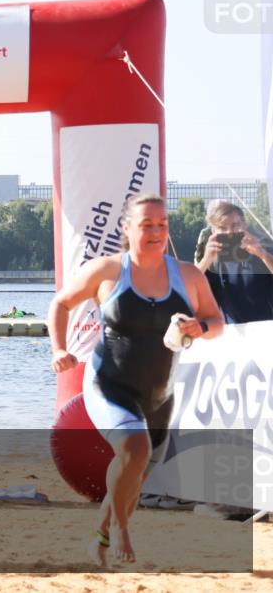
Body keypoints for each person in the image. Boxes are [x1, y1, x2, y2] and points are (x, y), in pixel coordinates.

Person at [48, 194, 223, 565]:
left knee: (137, 473)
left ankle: (101, 533)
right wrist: (59, 349)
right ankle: (121, 530)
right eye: (146, 225)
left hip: (159, 394)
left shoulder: (188, 275)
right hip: (109, 384)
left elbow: (216, 321)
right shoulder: (108, 270)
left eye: (162, 224)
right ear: (127, 229)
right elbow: (61, 304)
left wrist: (201, 327)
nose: (156, 232)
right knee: (135, 450)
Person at [194, 199, 273, 324]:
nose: (229, 232)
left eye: (235, 225)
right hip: (232, 332)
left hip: (266, 328)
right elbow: (188, 289)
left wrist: (263, 254)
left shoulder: (262, 249)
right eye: (222, 227)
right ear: (214, 231)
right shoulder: (212, 262)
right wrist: (206, 260)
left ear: (244, 226)